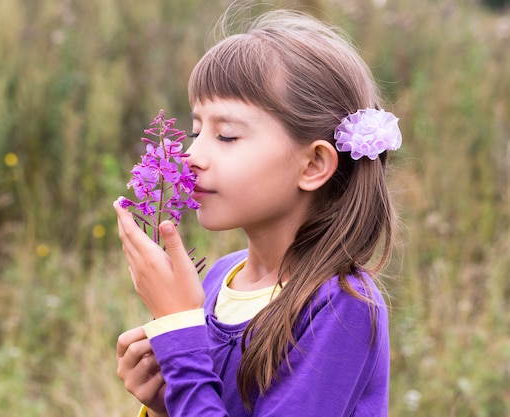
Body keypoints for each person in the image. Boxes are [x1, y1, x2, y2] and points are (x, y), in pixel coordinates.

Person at [113, 7, 402, 417]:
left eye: (227, 136)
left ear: (314, 165)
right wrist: (164, 402)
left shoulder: (341, 305)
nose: (192, 156)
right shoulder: (219, 279)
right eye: (196, 131)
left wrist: (178, 328)